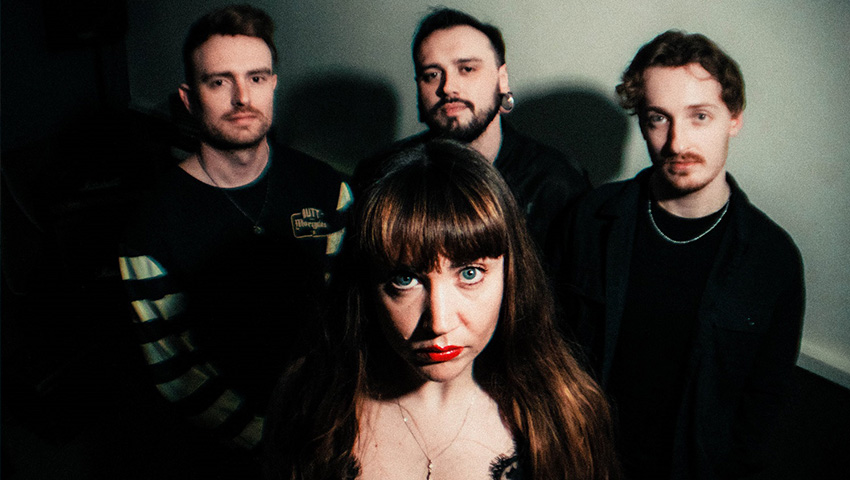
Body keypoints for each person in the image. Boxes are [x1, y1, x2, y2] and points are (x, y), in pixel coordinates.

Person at [264, 140, 619, 480]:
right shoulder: (309, 409)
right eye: (405, 279)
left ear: (511, 275)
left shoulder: (565, 417)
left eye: (470, 273)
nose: (439, 322)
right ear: (366, 286)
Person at [546, 31, 805, 479]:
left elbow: (763, 404)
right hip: (581, 460)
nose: (676, 142)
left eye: (699, 116)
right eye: (658, 119)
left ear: (734, 118)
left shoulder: (771, 258)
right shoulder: (590, 218)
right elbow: (547, 342)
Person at [118, 4, 351, 455]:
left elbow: (345, 313)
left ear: (273, 85)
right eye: (219, 82)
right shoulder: (150, 230)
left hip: (329, 414)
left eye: (256, 78)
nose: (242, 97)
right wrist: (277, 443)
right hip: (235, 446)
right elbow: (175, 372)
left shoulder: (329, 190)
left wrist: (336, 414)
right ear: (189, 99)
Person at [354, 7, 589, 250]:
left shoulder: (556, 184)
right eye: (432, 75)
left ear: (502, 79)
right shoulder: (381, 175)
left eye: (467, 69)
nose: (448, 87)